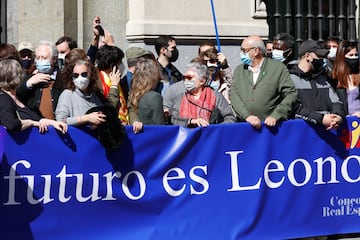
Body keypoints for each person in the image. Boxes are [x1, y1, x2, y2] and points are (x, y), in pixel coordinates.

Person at [231, 35, 297, 130]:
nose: (241, 53)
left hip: (270, 128)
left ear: (256, 51)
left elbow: (291, 94)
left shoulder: (277, 68)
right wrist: (247, 116)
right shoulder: (239, 70)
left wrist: (276, 115)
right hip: (244, 126)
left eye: (244, 50)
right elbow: (234, 95)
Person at [289, 39, 345, 130]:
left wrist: (337, 116)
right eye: (319, 56)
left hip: (326, 133)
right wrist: (320, 118)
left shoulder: (323, 78)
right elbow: (293, 109)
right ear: (307, 56)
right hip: (301, 134)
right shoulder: (290, 79)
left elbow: (336, 102)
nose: (322, 60)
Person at [0, 59, 67, 133]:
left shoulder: (18, 97)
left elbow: (36, 118)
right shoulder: (3, 99)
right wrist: (31, 123)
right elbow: (11, 125)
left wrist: (54, 123)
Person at [163, 62, 235, 127]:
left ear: (202, 81)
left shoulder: (215, 96)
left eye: (189, 78)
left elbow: (230, 118)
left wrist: (214, 129)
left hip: (210, 138)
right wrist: (190, 121)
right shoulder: (180, 98)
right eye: (184, 78)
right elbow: (172, 120)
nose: (186, 81)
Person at [55, 59, 121, 126]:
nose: (80, 78)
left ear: (91, 75)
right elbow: (60, 121)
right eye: (75, 75)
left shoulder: (95, 96)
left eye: (84, 74)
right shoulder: (67, 94)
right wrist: (86, 118)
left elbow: (107, 113)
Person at [16, 40, 63, 120]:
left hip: (57, 128)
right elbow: (18, 97)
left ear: (54, 59)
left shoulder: (62, 79)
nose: (40, 61)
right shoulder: (29, 78)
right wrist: (28, 84)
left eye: (44, 58)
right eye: (38, 58)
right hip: (36, 128)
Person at [128, 58, 164, 133]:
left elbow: (131, 110)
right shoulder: (155, 97)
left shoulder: (133, 94)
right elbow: (160, 127)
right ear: (153, 76)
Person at [95, 45, 128, 124]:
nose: (122, 66)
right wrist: (114, 86)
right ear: (112, 66)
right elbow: (110, 105)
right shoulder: (97, 82)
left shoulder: (118, 80)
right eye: (119, 63)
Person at [331, 40, 360, 117]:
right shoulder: (334, 78)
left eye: (356, 55)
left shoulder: (358, 75)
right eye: (351, 55)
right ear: (342, 57)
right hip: (344, 121)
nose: (354, 58)